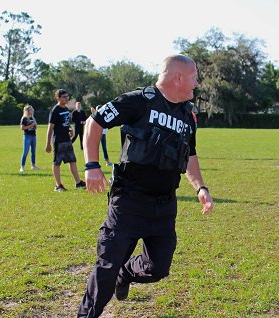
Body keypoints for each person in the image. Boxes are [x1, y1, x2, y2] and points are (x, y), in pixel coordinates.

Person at [77, 54, 214, 317]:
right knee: (106, 269)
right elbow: (95, 122)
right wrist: (91, 166)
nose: (197, 83)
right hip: (129, 202)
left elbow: (190, 155)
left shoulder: (187, 116)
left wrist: (201, 188)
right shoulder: (138, 102)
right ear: (178, 77)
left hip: (164, 205)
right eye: (194, 77)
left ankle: (125, 273)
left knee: (158, 267)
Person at [45, 89, 86, 191]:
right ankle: (58, 185)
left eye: (67, 96)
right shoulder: (55, 110)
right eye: (64, 97)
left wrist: (70, 129)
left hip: (67, 140)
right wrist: (48, 143)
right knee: (56, 163)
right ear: (58, 98)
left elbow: (66, 123)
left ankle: (78, 182)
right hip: (59, 141)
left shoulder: (66, 109)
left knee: (72, 161)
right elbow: (50, 128)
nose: (67, 98)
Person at [20, 105, 40, 172]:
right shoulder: (24, 118)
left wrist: (35, 125)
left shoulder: (32, 117)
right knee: (25, 152)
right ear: (27, 111)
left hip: (33, 136)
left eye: (32, 109)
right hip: (27, 136)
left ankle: (33, 166)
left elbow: (35, 127)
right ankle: (22, 167)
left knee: (33, 152)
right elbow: (22, 128)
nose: (32, 110)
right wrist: (31, 125)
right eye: (31, 109)